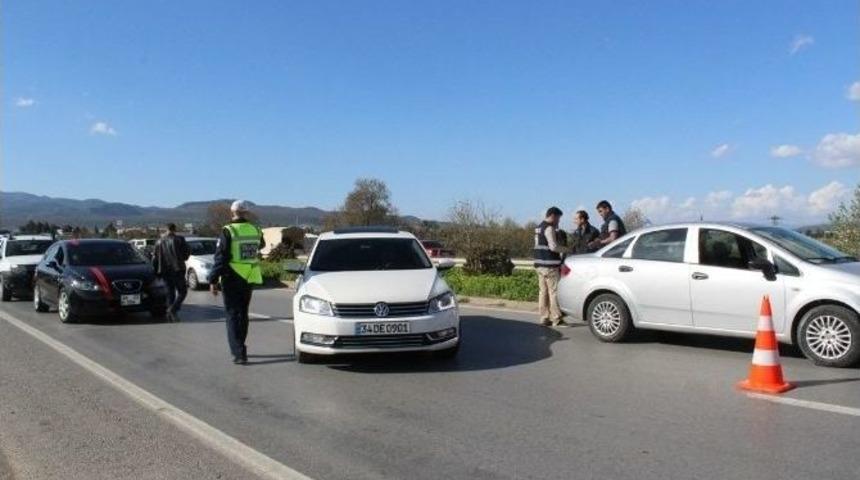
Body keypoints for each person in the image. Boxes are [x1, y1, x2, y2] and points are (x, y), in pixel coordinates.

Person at [208, 200, 265, 365]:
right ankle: (241, 347)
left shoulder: (228, 230)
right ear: (247, 213)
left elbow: (221, 257)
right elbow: (261, 245)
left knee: (232, 314)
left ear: (232, 212)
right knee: (243, 313)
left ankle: (239, 352)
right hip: (249, 276)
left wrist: (212, 279)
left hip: (232, 276)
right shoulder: (255, 229)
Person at [533, 207, 570, 328]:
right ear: (553, 216)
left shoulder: (538, 228)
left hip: (539, 265)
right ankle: (556, 319)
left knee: (542, 292)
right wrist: (567, 250)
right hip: (550, 265)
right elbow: (553, 247)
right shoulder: (549, 228)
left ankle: (544, 317)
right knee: (554, 292)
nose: (558, 221)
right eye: (558, 218)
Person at [152, 223, 190, 322]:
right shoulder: (179, 239)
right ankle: (172, 310)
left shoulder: (159, 242)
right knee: (183, 292)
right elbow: (186, 255)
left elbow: (154, 259)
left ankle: (170, 315)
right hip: (177, 269)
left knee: (170, 293)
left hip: (164, 271)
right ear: (174, 229)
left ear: (166, 229)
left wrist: (156, 271)